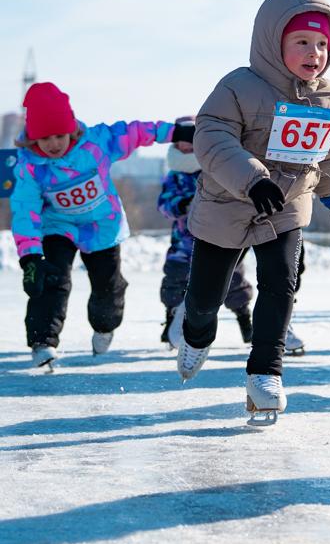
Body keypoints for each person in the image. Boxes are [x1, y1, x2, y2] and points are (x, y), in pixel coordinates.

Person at [177, 0, 330, 425]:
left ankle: (265, 374)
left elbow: (328, 151)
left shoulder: (328, 96)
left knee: (282, 283)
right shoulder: (239, 86)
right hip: (228, 203)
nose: (314, 53)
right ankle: (195, 334)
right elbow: (212, 138)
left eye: (322, 44)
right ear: (273, 42)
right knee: (206, 298)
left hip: (286, 207)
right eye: (302, 42)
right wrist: (253, 178)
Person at [12, 83, 194, 369]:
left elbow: (135, 132)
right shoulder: (31, 166)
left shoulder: (96, 143)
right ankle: (43, 341)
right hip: (58, 227)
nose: (54, 144)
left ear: (71, 130)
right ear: (34, 138)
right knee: (52, 280)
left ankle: (104, 326)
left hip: (102, 227)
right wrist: (30, 257)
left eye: (59, 135)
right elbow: (25, 210)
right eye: (45, 138)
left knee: (107, 289)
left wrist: (175, 132)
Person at [158, 127, 254, 349]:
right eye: (182, 142)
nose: (186, 146)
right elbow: (164, 203)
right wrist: (181, 205)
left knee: (231, 280)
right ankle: (171, 319)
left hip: (218, 236)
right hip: (183, 241)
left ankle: (244, 319)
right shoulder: (174, 175)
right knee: (175, 280)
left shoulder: (214, 168)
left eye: (191, 142)